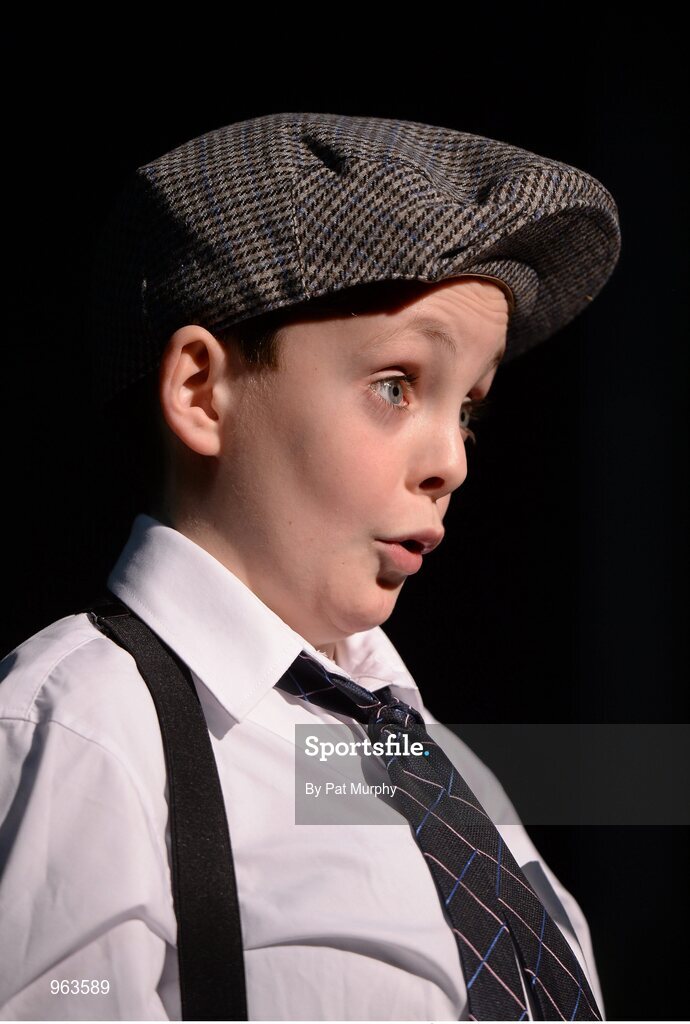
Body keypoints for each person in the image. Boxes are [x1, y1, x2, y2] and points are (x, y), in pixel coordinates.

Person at [0, 112, 620, 1021]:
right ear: (202, 391)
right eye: (396, 386)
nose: (451, 458)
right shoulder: (88, 728)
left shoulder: (440, 768)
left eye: (469, 409)